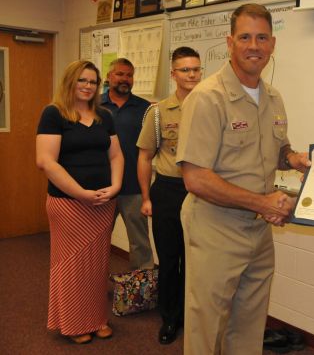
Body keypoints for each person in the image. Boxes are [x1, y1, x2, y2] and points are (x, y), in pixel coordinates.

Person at [176, 3, 310, 355]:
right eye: (245, 37)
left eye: (262, 38)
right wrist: (263, 203)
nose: (254, 46)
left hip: (259, 229)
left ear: (273, 44)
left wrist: (293, 158)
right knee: (206, 325)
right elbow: (196, 179)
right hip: (215, 227)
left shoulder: (273, 97)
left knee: (250, 323)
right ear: (229, 42)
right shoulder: (207, 98)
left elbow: (276, 148)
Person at [36, 60, 124, 344]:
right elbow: (46, 162)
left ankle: (97, 319)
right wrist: (80, 193)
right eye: (82, 80)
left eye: (93, 82)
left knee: (97, 265)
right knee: (71, 266)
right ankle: (74, 323)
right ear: (70, 81)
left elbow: (116, 156)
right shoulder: (54, 114)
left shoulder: (104, 116)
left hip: (102, 203)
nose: (88, 86)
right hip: (69, 204)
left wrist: (116, 187)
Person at [136, 46, 201, 345]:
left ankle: (191, 315)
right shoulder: (158, 112)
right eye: (185, 70)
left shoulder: (212, 106)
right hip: (168, 190)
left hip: (202, 191)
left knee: (196, 259)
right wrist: (146, 198)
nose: (192, 75)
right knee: (170, 257)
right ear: (173, 74)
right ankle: (170, 318)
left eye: (196, 69)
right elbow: (145, 157)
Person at [101, 58, 154, 270]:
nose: (125, 79)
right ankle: (93, 283)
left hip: (134, 187)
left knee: (140, 243)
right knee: (98, 241)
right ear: (109, 77)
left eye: (129, 75)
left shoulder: (146, 109)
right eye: (120, 74)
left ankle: (143, 286)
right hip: (101, 188)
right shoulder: (94, 106)